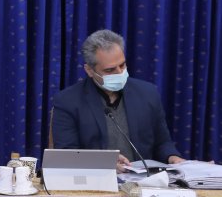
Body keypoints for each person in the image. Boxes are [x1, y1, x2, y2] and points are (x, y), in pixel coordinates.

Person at [52, 29, 184, 171]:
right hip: (96, 180)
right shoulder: (68, 101)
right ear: (89, 70)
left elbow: (162, 143)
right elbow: (67, 154)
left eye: (122, 65)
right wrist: (105, 164)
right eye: (110, 70)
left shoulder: (148, 93)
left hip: (142, 179)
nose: (119, 73)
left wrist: (173, 157)